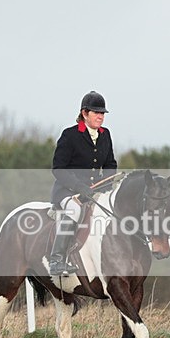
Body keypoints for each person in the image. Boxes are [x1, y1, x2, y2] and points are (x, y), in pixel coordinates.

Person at [48, 90, 118, 275]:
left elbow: (110, 163)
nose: (101, 117)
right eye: (97, 113)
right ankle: (57, 260)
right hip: (68, 191)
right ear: (85, 113)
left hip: (95, 191)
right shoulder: (70, 135)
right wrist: (79, 187)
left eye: (102, 113)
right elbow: (58, 168)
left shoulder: (105, 135)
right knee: (74, 210)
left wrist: (106, 182)